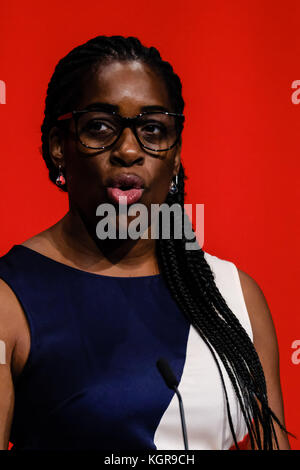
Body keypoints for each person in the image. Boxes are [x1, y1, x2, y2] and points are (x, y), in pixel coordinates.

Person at [0, 35, 293, 451]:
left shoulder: (233, 295)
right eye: (100, 126)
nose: (128, 149)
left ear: (175, 156)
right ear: (57, 147)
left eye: (152, 129)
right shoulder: (8, 300)